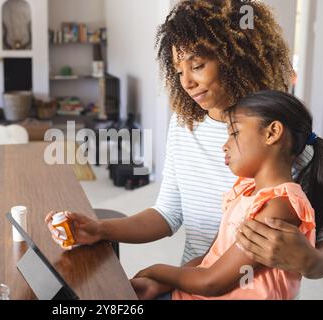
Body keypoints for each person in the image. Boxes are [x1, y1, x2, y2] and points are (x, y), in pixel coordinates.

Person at [45, 0, 323, 293]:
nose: (187, 82)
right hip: (191, 284)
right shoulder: (184, 124)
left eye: (198, 65)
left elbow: (313, 249)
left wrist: (311, 261)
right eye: (178, 71)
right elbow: (167, 214)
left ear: (234, 58)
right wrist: (98, 229)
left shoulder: (282, 140)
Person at [131, 90, 321, 299]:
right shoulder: (245, 192)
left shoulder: (279, 206)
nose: (224, 145)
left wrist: (156, 271)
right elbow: (209, 260)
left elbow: (211, 282)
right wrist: (163, 284)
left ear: (272, 132)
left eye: (235, 133)